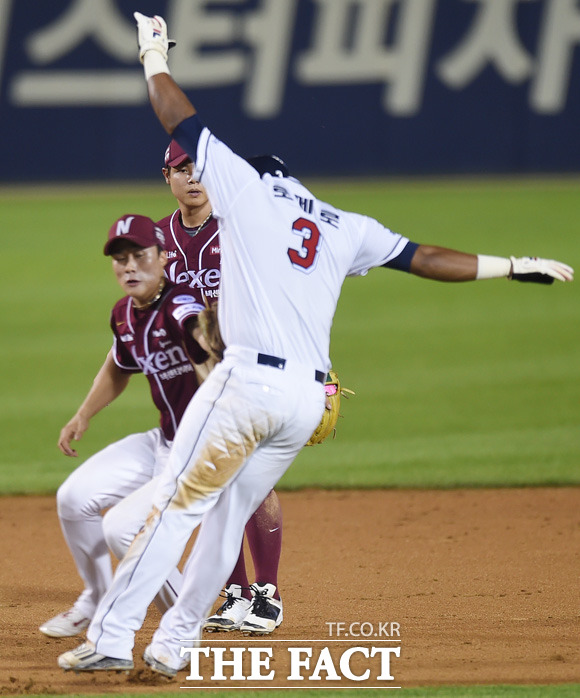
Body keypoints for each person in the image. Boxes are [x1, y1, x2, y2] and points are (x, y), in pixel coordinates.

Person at [58, 12, 574, 678]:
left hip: (246, 385)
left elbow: (176, 118)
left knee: (177, 504)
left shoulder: (246, 191)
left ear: (260, 180)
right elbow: (426, 256)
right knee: (226, 516)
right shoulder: (343, 225)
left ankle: (113, 634)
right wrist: (509, 264)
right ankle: (172, 645)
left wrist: (153, 55)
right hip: (308, 399)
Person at [40, 147, 284, 639]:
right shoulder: (154, 241)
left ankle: (267, 592)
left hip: (245, 369)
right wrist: (84, 413)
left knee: (252, 488)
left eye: (200, 168)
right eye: (181, 169)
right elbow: (133, 338)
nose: (192, 177)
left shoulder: (238, 226)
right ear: (167, 177)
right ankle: (233, 591)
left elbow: (283, 293)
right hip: (196, 380)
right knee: (210, 496)